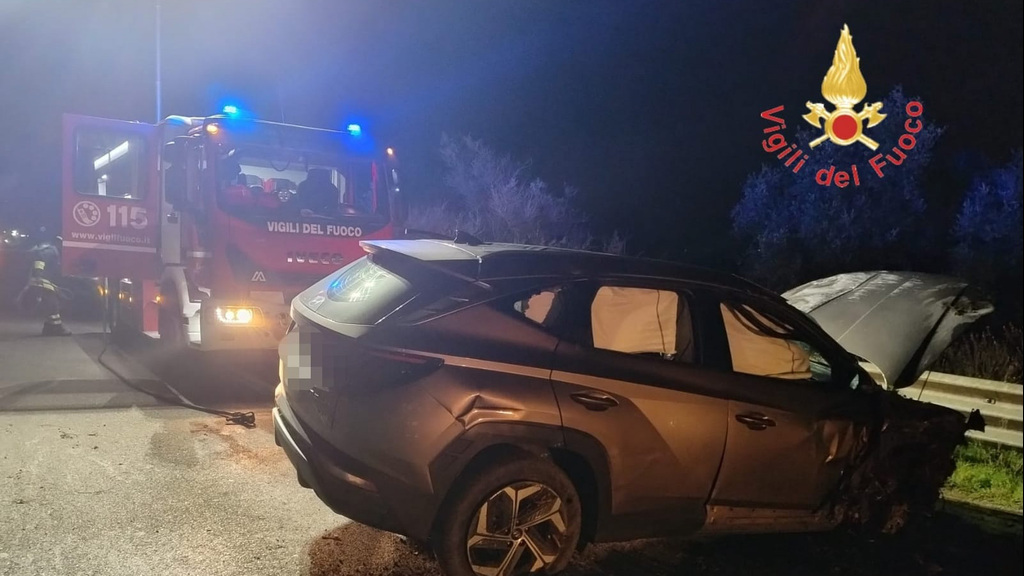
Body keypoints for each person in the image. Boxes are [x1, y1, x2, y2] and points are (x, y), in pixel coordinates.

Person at [19, 233, 71, 336]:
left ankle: (49, 327)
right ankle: (56, 328)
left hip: (44, 280)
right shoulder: (50, 250)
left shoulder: (53, 251)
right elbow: (39, 260)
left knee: (52, 303)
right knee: (53, 304)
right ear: (58, 242)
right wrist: (39, 274)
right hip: (40, 280)